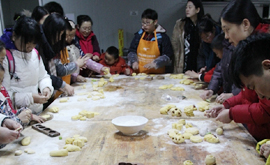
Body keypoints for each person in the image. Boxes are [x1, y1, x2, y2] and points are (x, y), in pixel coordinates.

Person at [0, 16, 53, 118]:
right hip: (17, 117)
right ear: (14, 36)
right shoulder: (5, 58)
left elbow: (43, 76)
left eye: (33, 43)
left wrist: (46, 88)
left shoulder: (35, 53)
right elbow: (4, 94)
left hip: (37, 112)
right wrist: (31, 98)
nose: (30, 47)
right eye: (26, 43)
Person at [38, 14, 74, 101]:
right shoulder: (39, 47)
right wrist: (62, 84)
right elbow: (44, 74)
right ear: (52, 32)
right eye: (60, 34)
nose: (60, 39)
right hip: (42, 93)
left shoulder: (49, 46)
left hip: (50, 90)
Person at [127, 8, 173, 74]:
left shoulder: (163, 37)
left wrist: (155, 63)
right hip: (139, 74)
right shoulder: (139, 35)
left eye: (148, 23)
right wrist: (134, 61)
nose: (144, 25)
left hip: (157, 75)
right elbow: (132, 51)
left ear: (155, 22)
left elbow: (168, 55)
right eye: (143, 22)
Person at [171, 0, 204, 73]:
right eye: (186, 7)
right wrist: (177, 59)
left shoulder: (203, 25)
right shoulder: (180, 24)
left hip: (198, 60)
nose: (187, 9)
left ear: (197, 10)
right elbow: (174, 43)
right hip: (183, 59)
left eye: (190, 7)